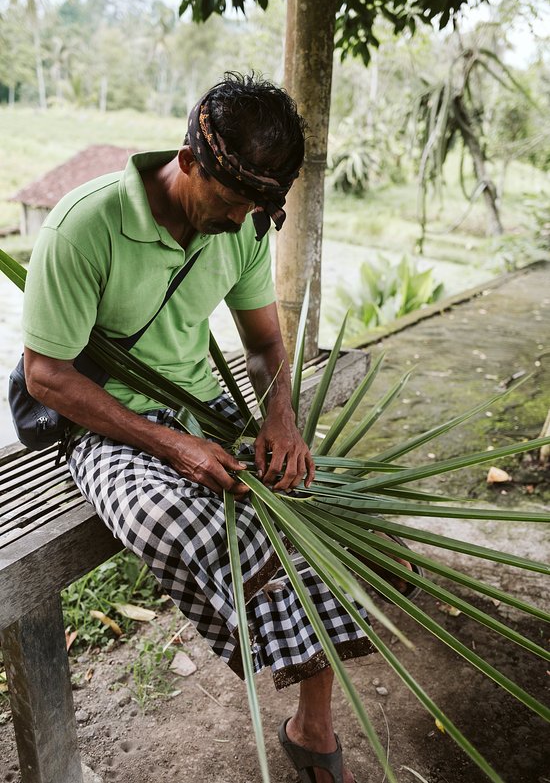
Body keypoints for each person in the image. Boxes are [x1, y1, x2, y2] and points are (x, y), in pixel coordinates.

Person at [22, 72, 376, 783]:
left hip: (201, 406)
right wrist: (172, 445)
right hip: (105, 422)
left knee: (311, 511)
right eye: (233, 201)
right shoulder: (82, 225)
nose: (244, 220)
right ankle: (283, 645)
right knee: (177, 519)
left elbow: (265, 343)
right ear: (187, 162)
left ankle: (312, 727)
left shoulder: (244, 225)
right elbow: (47, 376)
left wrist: (281, 418)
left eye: (257, 207)